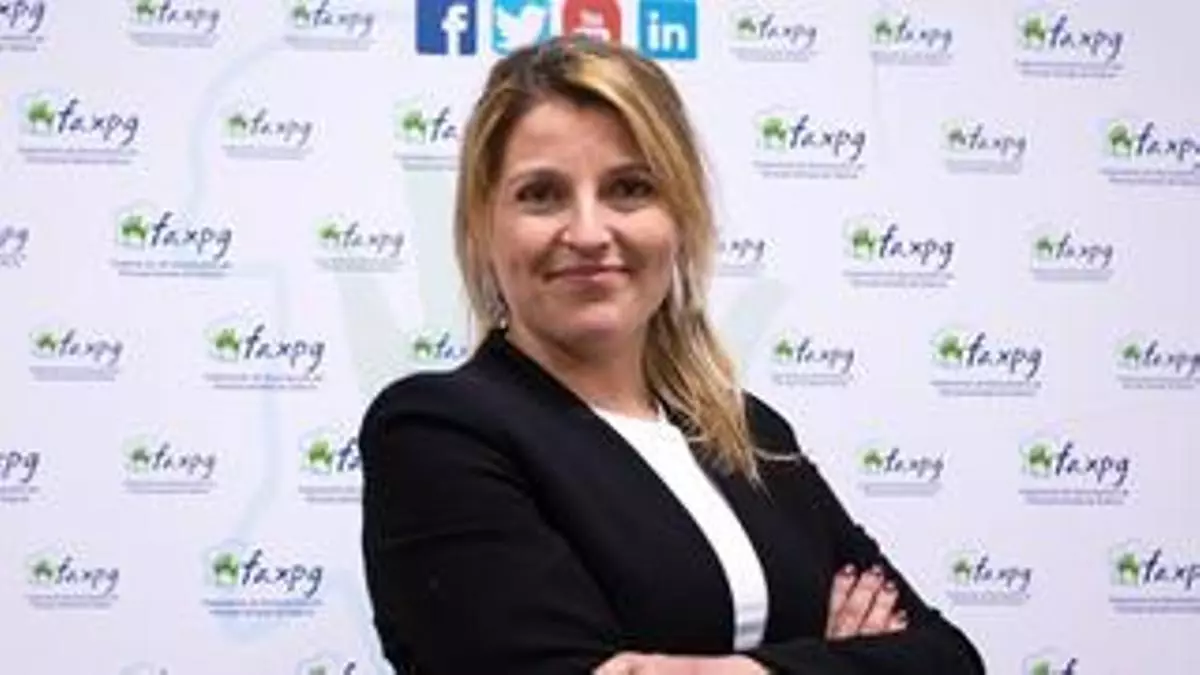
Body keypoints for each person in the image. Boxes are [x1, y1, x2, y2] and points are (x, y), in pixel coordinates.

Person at [359, 35, 985, 675]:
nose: (589, 233)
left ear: (680, 216)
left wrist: (729, 671)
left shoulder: (748, 433)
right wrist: (834, 660)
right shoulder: (437, 432)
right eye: (541, 194)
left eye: (629, 188)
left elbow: (950, 660)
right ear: (481, 226)